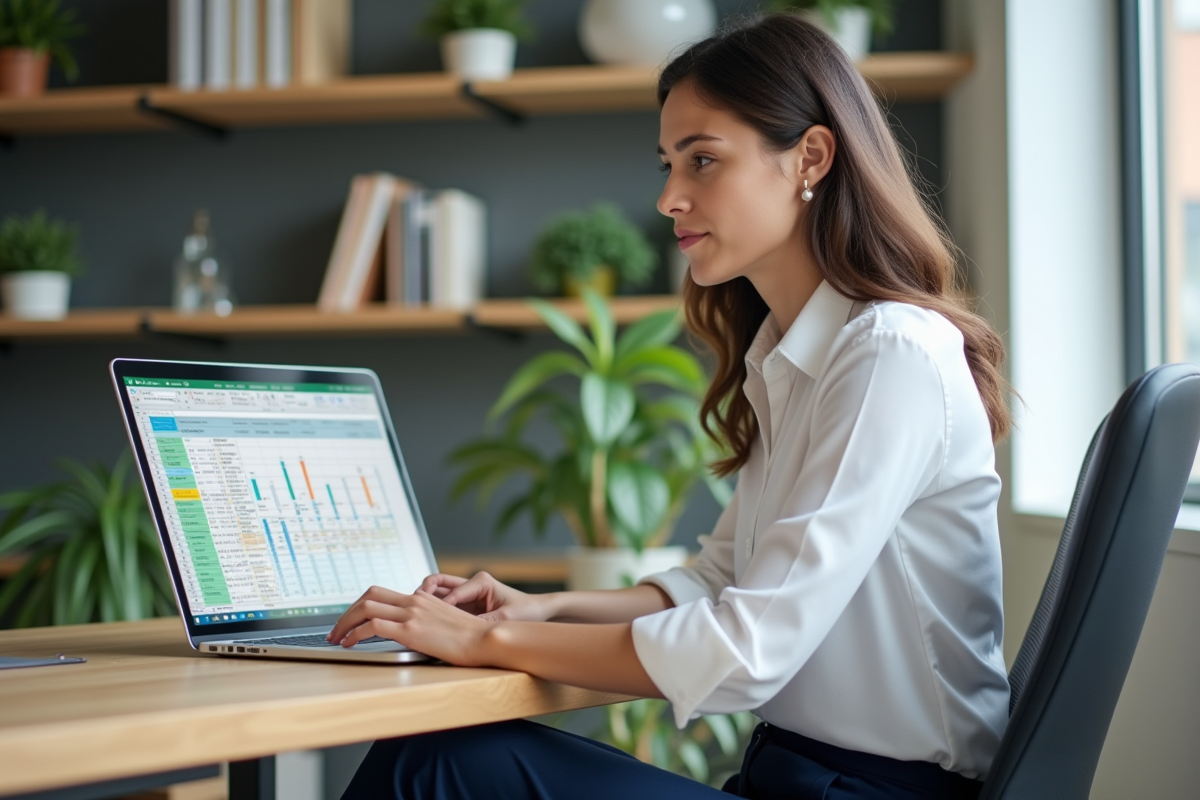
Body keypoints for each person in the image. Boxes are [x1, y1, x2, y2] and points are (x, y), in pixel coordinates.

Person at [332, 13, 1011, 800]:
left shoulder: (887, 352)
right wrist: (547, 610)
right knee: (440, 757)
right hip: (789, 778)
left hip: (874, 793)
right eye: (667, 164)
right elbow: (719, 578)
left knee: (437, 762)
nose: (667, 198)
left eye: (703, 161)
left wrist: (490, 638)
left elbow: (747, 645)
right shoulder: (790, 358)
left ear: (810, 158)